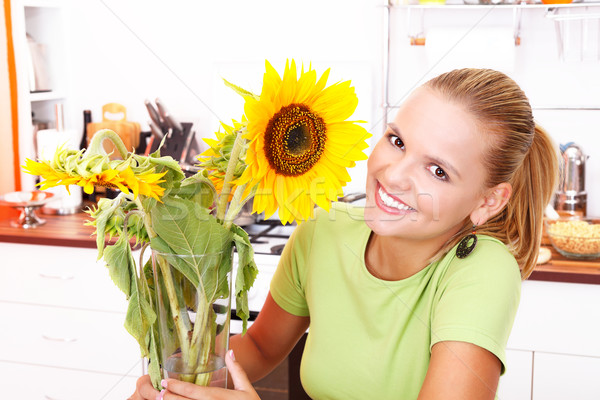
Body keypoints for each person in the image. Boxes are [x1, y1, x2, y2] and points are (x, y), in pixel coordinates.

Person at [130, 68, 558, 400]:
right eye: (397, 141)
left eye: (438, 170)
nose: (395, 175)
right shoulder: (321, 235)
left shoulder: (480, 270)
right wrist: (176, 380)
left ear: (488, 202)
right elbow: (260, 348)